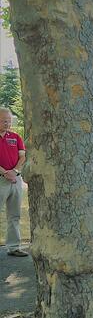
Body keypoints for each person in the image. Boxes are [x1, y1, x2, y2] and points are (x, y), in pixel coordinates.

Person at [0, 108, 27, 257]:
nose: (7, 123)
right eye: (4, 120)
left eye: (9, 120)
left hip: (15, 180)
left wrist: (14, 172)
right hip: (1, 180)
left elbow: (22, 157)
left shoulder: (16, 137)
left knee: (14, 215)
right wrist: (5, 172)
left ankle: (14, 247)